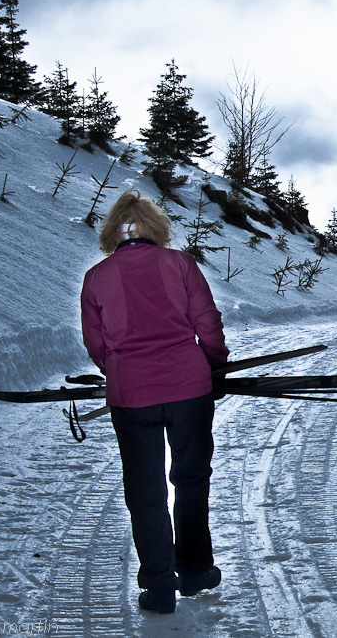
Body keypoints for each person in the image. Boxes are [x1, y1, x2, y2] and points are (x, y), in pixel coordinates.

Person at [80, 189, 229, 614]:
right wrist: (214, 364)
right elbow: (207, 322)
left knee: (145, 491)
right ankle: (196, 570)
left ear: (115, 233)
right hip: (190, 388)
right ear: (156, 229)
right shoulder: (180, 263)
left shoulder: (96, 277)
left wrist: (120, 372)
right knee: (191, 478)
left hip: (132, 395)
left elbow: (96, 343)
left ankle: (159, 586)